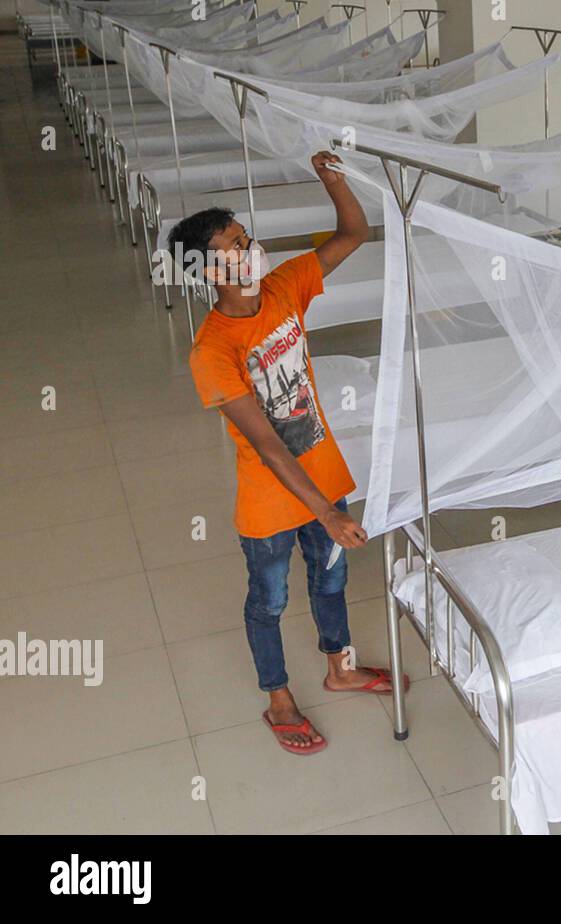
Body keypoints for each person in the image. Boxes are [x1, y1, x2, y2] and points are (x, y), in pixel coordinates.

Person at [169, 151, 404, 756]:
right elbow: (268, 444)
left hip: (324, 475)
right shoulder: (212, 351)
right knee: (268, 601)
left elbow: (354, 234)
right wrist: (327, 513)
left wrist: (333, 182)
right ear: (208, 268)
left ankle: (340, 668)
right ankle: (278, 700)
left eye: (247, 238)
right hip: (273, 503)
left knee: (331, 582)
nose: (251, 250)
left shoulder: (283, 287)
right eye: (235, 246)